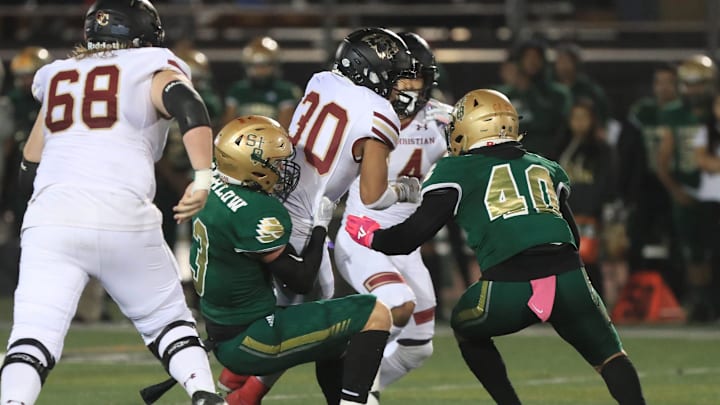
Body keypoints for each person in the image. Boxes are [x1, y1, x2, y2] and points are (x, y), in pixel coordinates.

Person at [344, 89, 646, 405]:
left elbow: (411, 236)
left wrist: (372, 236)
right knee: (610, 356)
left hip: (511, 284)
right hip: (572, 278)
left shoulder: (456, 170)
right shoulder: (545, 166)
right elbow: (572, 234)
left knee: (465, 325)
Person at [0, 1, 225, 404]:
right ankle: (204, 394)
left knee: (32, 337)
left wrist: (32, 220)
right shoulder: (152, 68)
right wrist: (203, 176)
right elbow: (189, 106)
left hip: (52, 216)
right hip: (122, 212)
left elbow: (29, 162)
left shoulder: (59, 77)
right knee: (170, 324)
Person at [217, 27, 419, 404]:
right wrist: (404, 189)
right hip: (304, 224)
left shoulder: (320, 81)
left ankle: (238, 384)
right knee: (328, 323)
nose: (399, 87)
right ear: (368, 71)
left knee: (301, 318)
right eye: (393, 77)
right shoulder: (380, 113)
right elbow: (373, 197)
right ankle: (245, 389)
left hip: (269, 203)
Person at [190, 115, 392, 405]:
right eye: (276, 162)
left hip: (223, 327)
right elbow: (300, 279)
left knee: (338, 342)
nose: (284, 169)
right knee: (375, 312)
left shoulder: (210, 183)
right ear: (252, 165)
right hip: (251, 337)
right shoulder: (255, 211)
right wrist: (321, 228)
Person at [333, 31, 449, 400]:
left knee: (419, 346)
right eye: (404, 77)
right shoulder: (365, 114)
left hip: (405, 242)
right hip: (362, 232)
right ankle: (352, 386)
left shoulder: (443, 121)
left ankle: (362, 384)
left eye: (418, 78)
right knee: (398, 306)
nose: (412, 87)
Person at [553, 100, 618, 300]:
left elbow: (608, 182)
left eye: (584, 118)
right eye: (575, 118)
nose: (579, 123)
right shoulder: (563, 147)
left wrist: (595, 208)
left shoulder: (602, 150)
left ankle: (597, 303)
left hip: (590, 215)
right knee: (561, 260)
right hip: (563, 213)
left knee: (588, 260)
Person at [221, 36, 302, 130]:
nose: (260, 71)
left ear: (275, 65)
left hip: (272, 140)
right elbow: (228, 127)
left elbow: (284, 128)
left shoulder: (286, 91)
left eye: (265, 65)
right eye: (255, 66)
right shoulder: (237, 90)